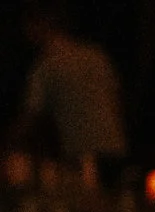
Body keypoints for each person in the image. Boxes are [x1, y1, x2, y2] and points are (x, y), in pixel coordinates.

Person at [12, 2, 128, 187]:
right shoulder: (96, 56)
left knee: (86, 201)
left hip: (84, 154)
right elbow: (117, 101)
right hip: (116, 148)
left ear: (40, 25)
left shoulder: (46, 66)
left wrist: (7, 144)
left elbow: (31, 117)